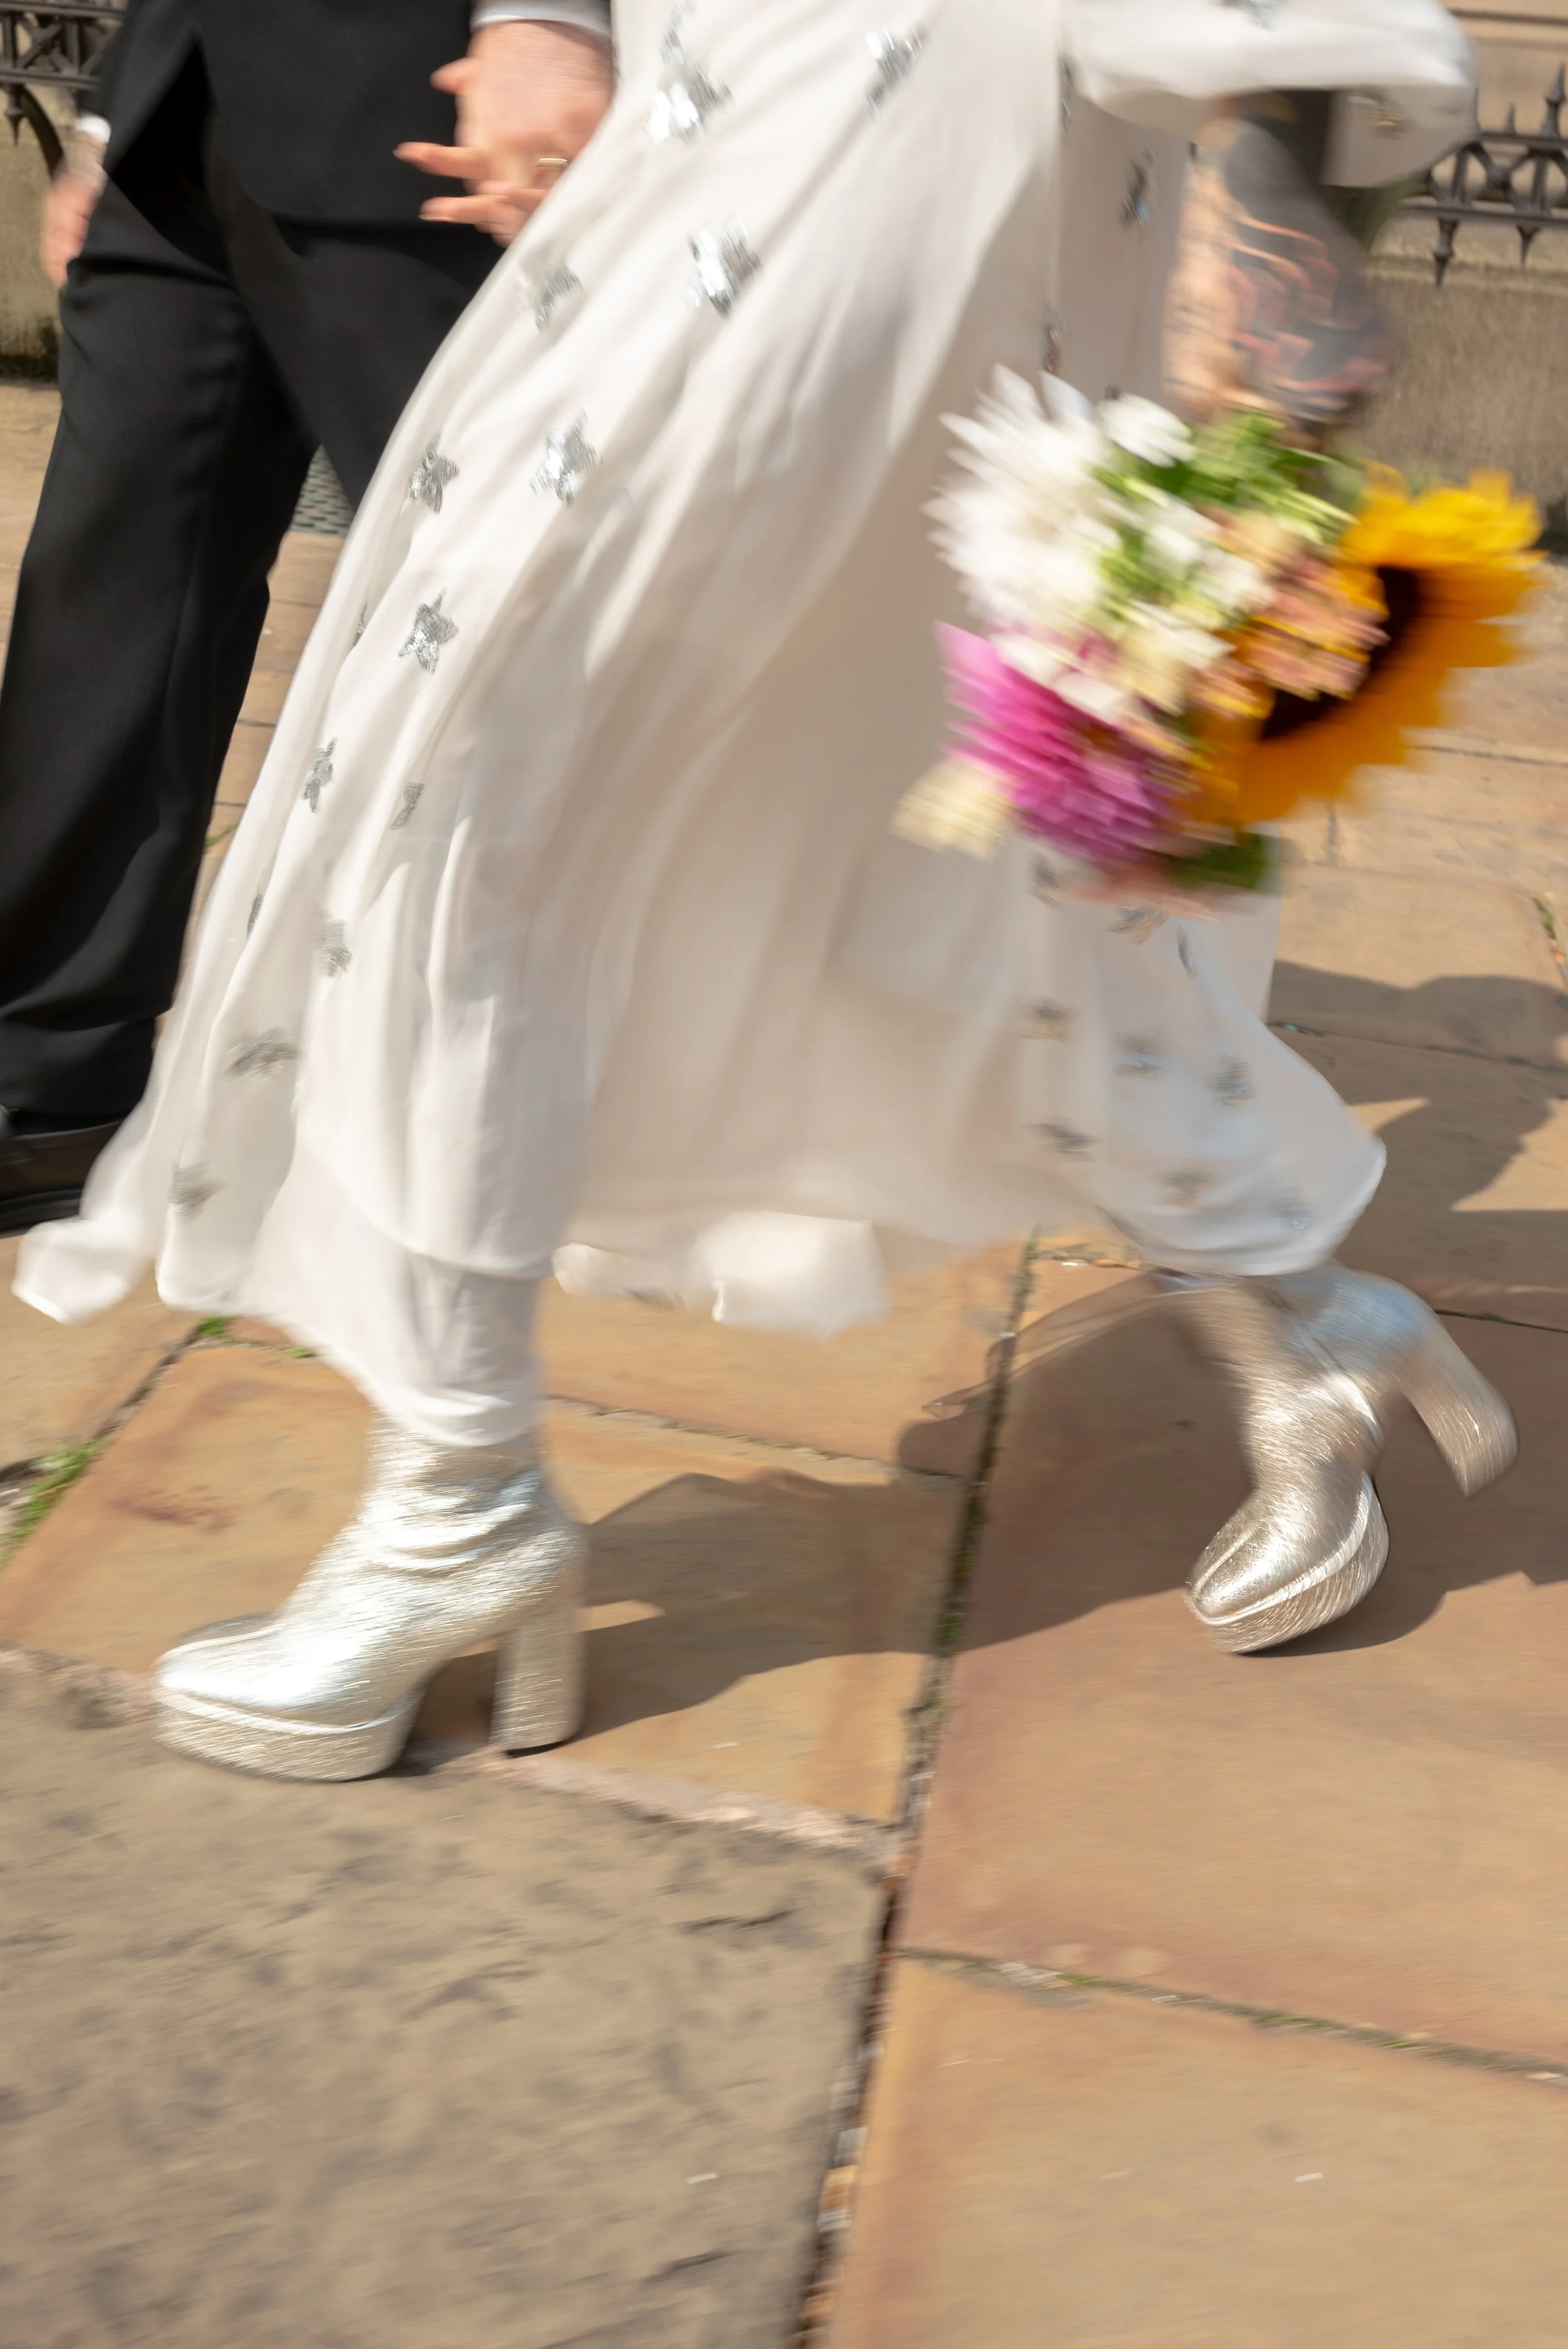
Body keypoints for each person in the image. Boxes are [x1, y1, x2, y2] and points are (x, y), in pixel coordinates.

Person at [18, 0, 1507, 1781]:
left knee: (475, 791)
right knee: (848, 825)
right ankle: (1298, 1312)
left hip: (880, 151)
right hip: (718, 122)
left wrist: (1254, 292)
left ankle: (457, 1498)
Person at [0, 0, 615, 1236]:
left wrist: (550, 10)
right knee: (109, 588)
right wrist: (122, 103)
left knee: (499, 620)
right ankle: (41, 1103)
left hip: (434, 92)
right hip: (193, 90)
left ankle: (570, 1101)